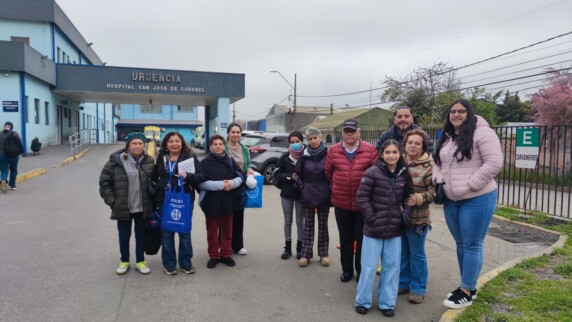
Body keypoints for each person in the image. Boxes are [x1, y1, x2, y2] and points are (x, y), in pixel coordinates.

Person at [433, 99, 502, 309]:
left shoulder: (483, 133)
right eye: (452, 112)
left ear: (469, 113)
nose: (456, 115)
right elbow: (438, 162)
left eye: (461, 111)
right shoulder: (446, 137)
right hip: (452, 200)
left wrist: (471, 185)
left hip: (477, 198)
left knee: (472, 244)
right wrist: (438, 179)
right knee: (461, 244)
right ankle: (468, 286)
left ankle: (466, 291)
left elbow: (494, 162)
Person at [354, 139, 413, 317]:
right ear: (382, 154)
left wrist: (406, 214)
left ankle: (387, 303)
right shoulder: (372, 172)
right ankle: (363, 301)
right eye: (388, 152)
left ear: (400, 153)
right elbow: (362, 197)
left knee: (392, 267)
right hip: (373, 230)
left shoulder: (404, 174)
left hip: (395, 230)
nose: (391, 156)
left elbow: (409, 197)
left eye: (395, 152)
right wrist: (371, 218)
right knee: (369, 267)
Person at [325, 118, 377, 282]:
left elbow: (376, 174)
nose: (349, 134)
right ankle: (346, 270)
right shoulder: (333, 151)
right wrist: (338, 189)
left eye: (352, 131)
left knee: (362, 240)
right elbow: (328, 173)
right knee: (345, 239)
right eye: (346, 131)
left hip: (363, 206)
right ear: (342, 133)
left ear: (358, 132)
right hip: (341, 204)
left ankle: (360, 271)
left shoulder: (370, 150)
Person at [99, 132, 155, 275]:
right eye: (134, 143)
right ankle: (124, 261)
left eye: (140, 143)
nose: (137, 146)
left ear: (144, 145)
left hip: (142, 208)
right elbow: (104, 183)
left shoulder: (149, 161)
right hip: (123, 207)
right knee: (124, 236)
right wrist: (113, 202)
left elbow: (154, 182)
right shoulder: (115, 161)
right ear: (128, 145)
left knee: (141, 236)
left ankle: (140, 261)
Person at [152, 132, 206, 275]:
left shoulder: (190, 158)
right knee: (167, 233)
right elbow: (154, 177)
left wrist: (187, 176)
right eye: (171, 141)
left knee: (184, 231)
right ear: (166, 144)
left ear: (182, 143)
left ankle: (185, 263)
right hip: (165, 200)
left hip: (184, 199)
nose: (174, 144)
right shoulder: (161, 158)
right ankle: (169, 263)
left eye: (177, 141)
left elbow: (201, 176)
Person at [398, 129, 435, 304]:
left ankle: (418, 288)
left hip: (418, 219)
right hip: (399, 216)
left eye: (417, 143)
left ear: (423, 147)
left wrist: (419, 198)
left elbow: (434, 192)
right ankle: (403, 283)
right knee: (402, 252)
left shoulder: (429, 166)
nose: (412, 146)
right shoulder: (398, 161)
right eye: (410, 142)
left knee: (417, 253)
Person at [199, 135, 244, 269]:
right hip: (211, 201)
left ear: (224, 146)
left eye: (220, 144)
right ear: (210, 147)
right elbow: (200, 183)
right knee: (212, 231)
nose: (218, 146)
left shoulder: (230, 160)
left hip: (228, 200)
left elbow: (241, 176)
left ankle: (226, 254)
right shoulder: (204, 163)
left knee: (227, 229)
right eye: (215, 144)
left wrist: (231, 183)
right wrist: (220, 185)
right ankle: (213, 255)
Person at [295, 127, 331, 268]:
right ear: (307, 140)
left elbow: (332, 173)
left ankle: (323, 254)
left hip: (324, 194)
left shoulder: (328, 154)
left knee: (323, 226)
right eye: (310, 139)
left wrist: (329, 189)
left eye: (315, 138)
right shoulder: (303, 156)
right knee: (308, 226)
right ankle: (305, 254)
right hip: (308, 194)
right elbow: (297, 175)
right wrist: (302, 187)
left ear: (320, 138)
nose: (313, 141)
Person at [275, 131, 305, 260]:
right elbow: (276, 174)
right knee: (288, 221)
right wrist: (289, 176)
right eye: (292, 142)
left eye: (297, 141)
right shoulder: (285, 157)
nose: (295, 144)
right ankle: (287, 248)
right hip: (286, 194)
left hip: (301, 194)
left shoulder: (306, 156)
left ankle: (300, 248)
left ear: (302, 141)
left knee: (300, 222)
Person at [225, 122, 254, 256]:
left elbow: (247, 165)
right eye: (233, 132)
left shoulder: (245, 149)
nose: (236, 135)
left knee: (238, 216)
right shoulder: (222, 147)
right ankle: (224, 245)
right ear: (228, 133)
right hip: (225, 185)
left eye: (238, 132)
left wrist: (248, 170)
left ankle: (238, 245)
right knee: (225, 217)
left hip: (240, 186)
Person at [0, 121, 24, 192]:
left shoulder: (1, 134)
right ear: (12, 127)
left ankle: (3, 180)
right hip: (14, 155)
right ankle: (12, 185)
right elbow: (19, 143)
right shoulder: (15, 134)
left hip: (2, 154)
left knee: (4, 170)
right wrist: (21, 152)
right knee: (13, 170)